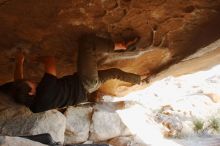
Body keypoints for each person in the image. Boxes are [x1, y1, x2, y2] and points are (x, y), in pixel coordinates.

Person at [0, 33, 142, 113]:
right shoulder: (45, 91)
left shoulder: (32, 105)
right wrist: (37, 58)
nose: (30, 80)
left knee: (114, 72)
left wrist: (19, 62)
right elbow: (50, 61)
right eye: (29, 83)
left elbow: (18, 82)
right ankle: (120, 46)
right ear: (31, 92)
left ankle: (139, 80)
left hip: (84, 91)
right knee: (87, 43)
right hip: (85, 82)